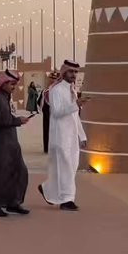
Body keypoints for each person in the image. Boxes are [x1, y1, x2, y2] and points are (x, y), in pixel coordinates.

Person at [0, 70, 34, 217]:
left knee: (19, 171)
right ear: (3, 83)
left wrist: (16, 120)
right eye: (11, 84)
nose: (14, 87)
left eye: (15, 84)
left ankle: (13, 202)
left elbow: (7, 116)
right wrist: (18, 121)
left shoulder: (6, 97)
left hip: (10, 140)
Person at [38, 60, 86, 211]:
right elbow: (57, 112)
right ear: (64, 72)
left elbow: (75, 116)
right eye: (71, 71)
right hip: (60, 136)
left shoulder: (72, 90)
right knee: (65, 168)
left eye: (76, 72)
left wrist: (82, 136)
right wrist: (76, 104)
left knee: (71, 167)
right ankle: (67, 200)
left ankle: (48, 189)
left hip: (72, 136)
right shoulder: (56, 90)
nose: (74, 75)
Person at [40, 72, 58, 154]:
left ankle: (55, 148)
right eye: (51, 78)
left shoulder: (59, 91)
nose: (52, 80)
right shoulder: (45, 91)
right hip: (47, 112)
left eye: (54, 79)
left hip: (57, 113)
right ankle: (47, 148)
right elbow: (40, 102)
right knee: (47, 130)